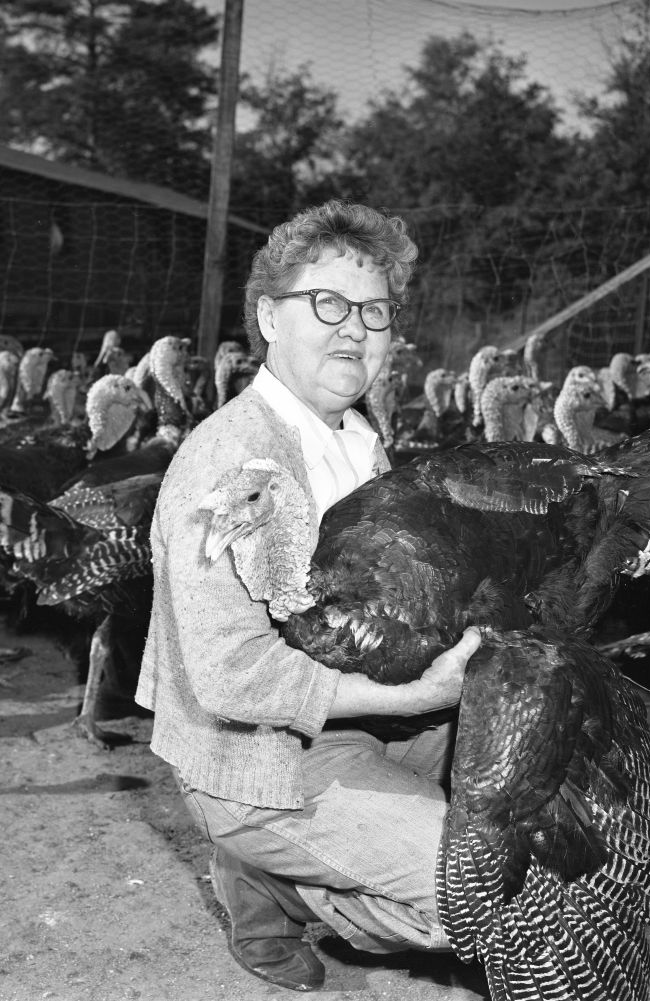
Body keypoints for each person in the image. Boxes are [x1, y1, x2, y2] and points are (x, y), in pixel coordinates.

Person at [135, 200, 482, 991]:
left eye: (374, 310)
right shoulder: (232, 461)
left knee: (546, 794)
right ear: (268, 317)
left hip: (369, 711)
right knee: (487, 885)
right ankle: (277, 878)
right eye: (326, 303)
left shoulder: (359, 438)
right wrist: (418, 697)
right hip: (258, 753)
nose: (354, 329)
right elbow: (230, 677)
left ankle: (310, 858)